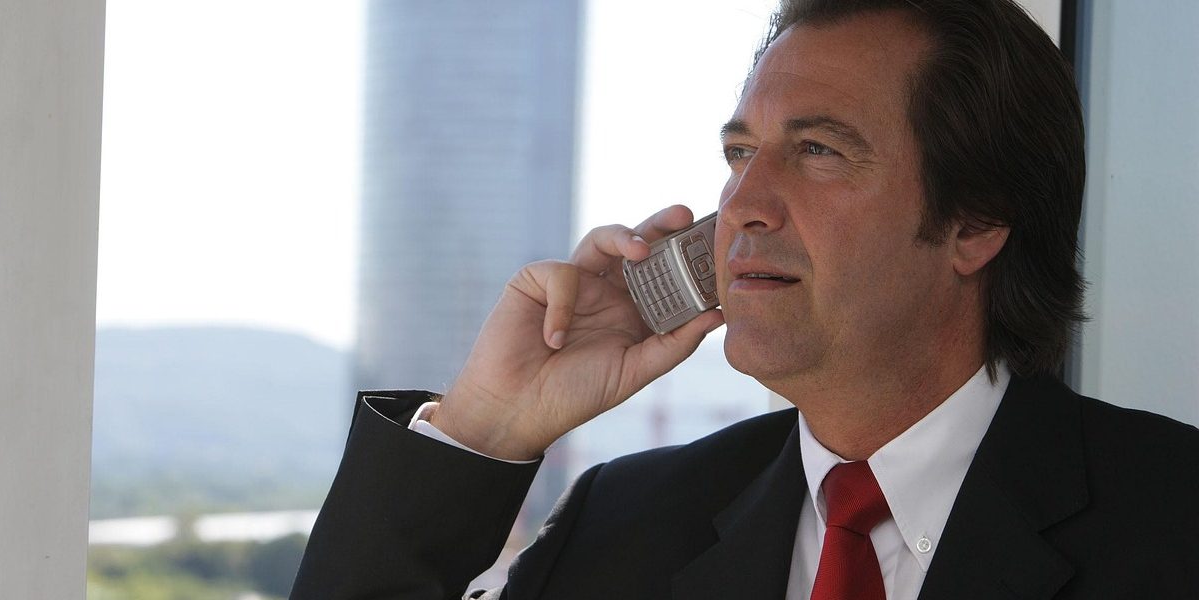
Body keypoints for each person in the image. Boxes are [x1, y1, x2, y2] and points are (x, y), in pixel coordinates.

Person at [291, 0, 1199, 598]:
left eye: (818, 151)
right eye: (739, 154)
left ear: (977, 222)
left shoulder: (1172, 522)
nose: (742, 204)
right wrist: (485, 428)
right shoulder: (627, 524)